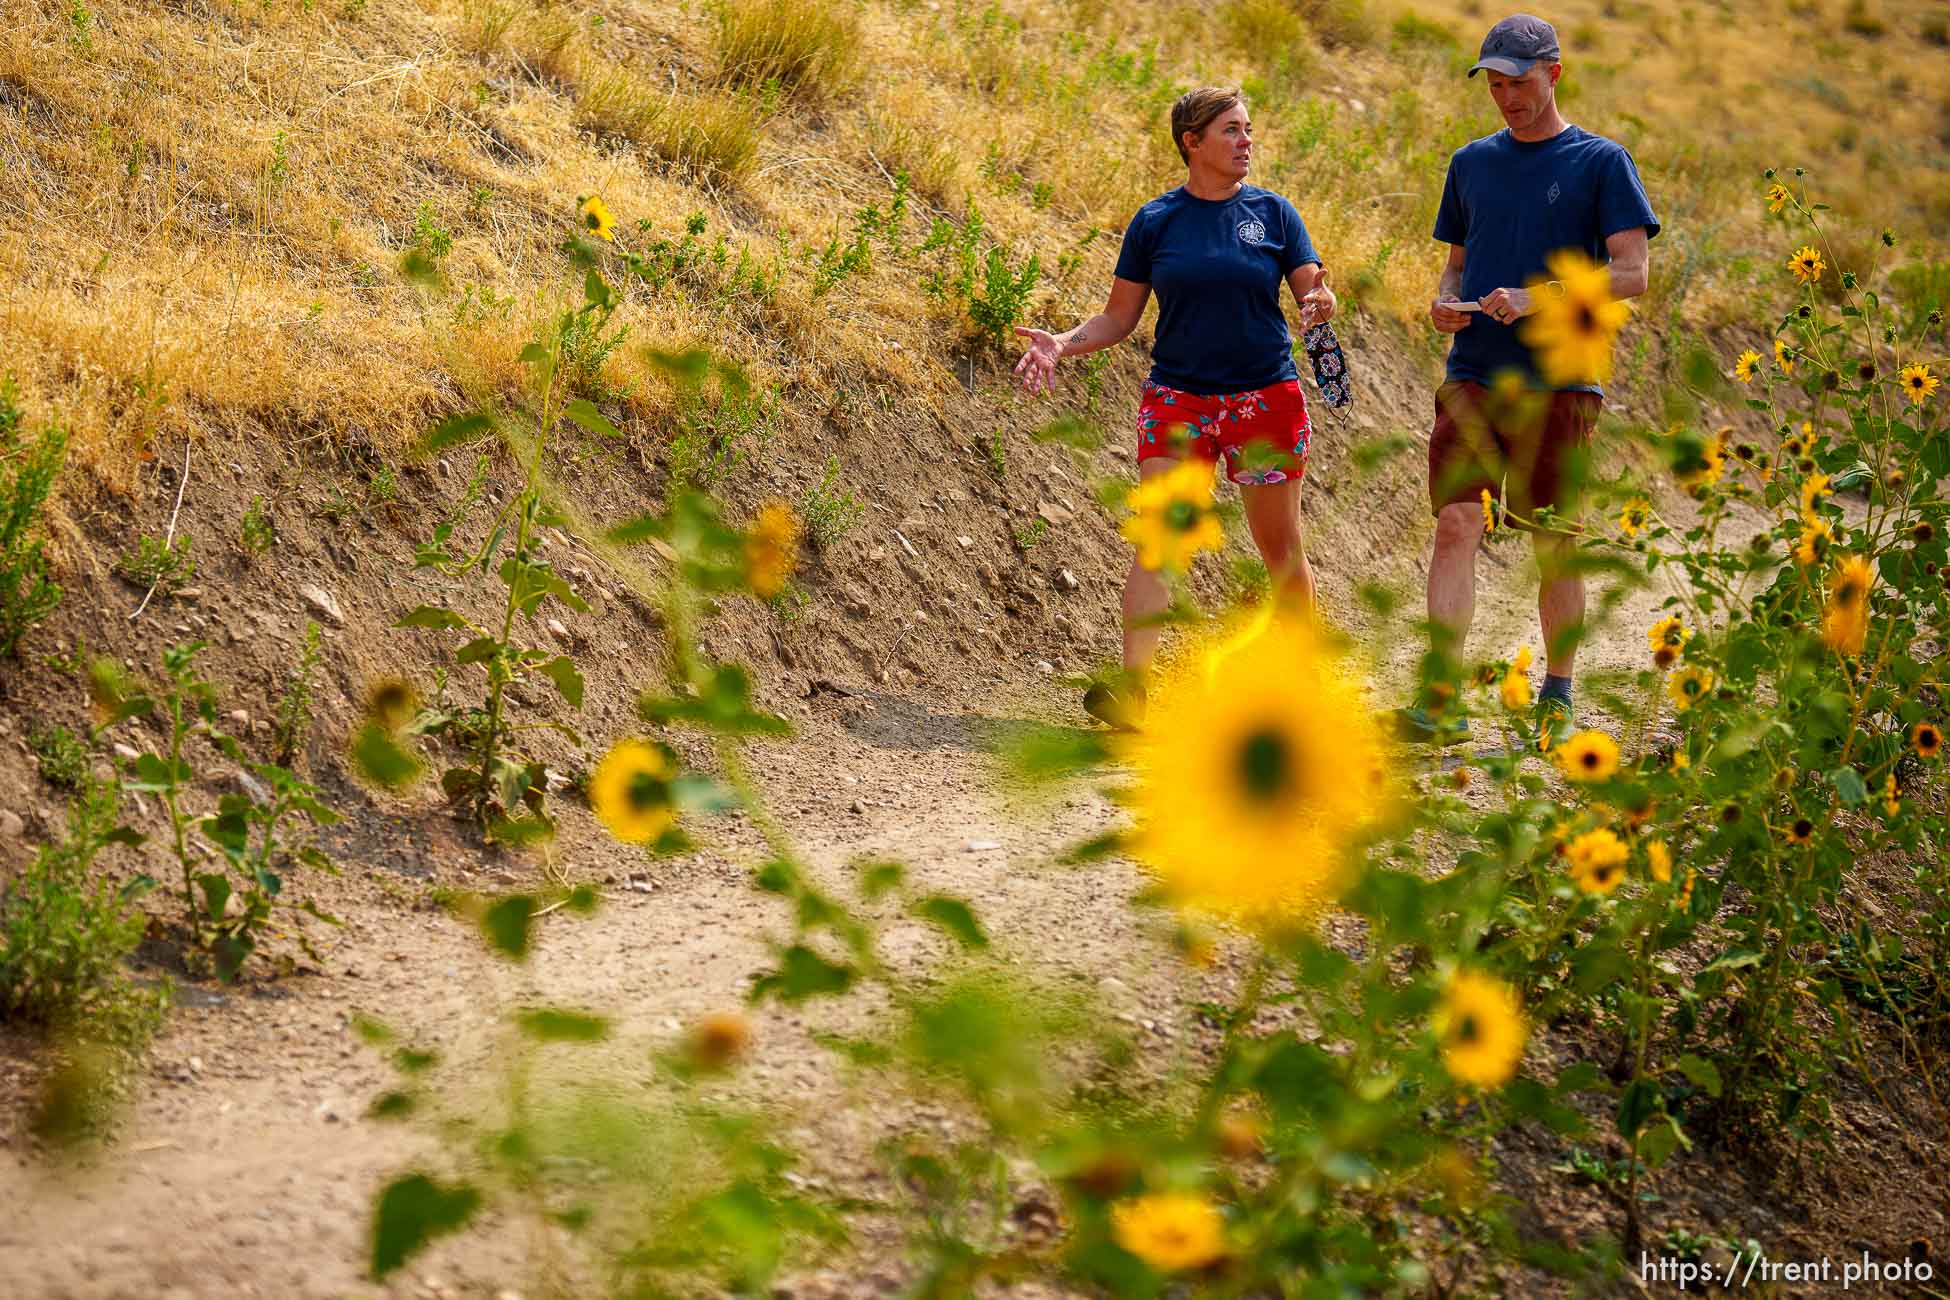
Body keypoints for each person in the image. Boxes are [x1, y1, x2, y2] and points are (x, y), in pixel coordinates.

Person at [1013, 86, 1336, 730]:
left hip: (1264, 401)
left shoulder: (1275, 214)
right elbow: (1117, 317)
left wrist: (1321, 305)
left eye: (1248, 129)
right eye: (1231, 131)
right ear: (1192, 142)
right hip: (1178, 399)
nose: (1246, 141)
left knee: (1280, 548)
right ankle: (1134, 694)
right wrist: (1061, 343)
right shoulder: (1155, 221)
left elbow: (1312, 290)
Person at [1396, 13, 1658, 747]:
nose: (1508, 98)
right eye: (1497, 85)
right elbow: (1455, 262)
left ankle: (1559, 691)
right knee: (1456, 522)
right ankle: (1442, 700)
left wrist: (1538, 298)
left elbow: (1633, 272)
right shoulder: (1471, 163)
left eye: (1520, 82)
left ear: (1555, 75)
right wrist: (1444, 304)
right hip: (1474, 369)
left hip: (1562, 380)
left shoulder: (1603, 162)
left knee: (1554, 541)